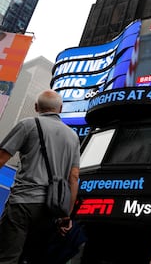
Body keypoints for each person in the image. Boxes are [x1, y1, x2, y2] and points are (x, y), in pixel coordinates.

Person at [0, 89, 80, 264]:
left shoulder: (27, 124)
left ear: (36, 107)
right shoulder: (73, 136)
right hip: (52, 209)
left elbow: (1, 158)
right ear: (60, 109)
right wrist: (66, 216)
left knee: (8, 257)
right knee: (37, 258)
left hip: (22, 203)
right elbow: (74, 177)